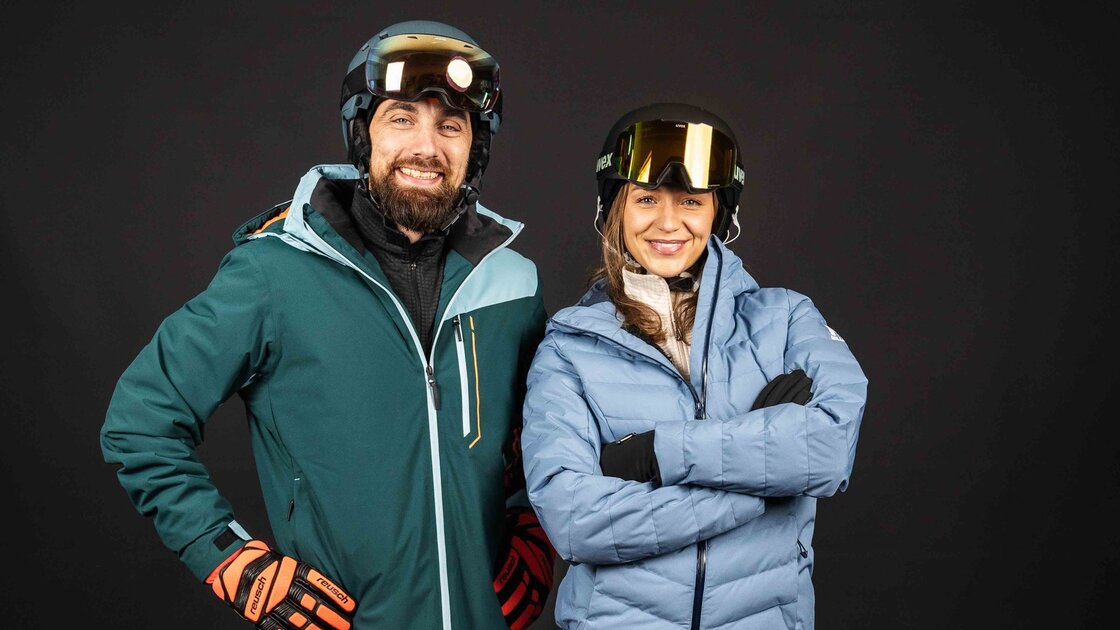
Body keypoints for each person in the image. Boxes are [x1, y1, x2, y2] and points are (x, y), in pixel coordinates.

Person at [100, 20, 555, 630]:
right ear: (362, 134)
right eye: (401, 118)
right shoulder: (272, 276)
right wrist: (231, 560)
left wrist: (535, 533)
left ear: (476, 146)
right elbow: (140, 421)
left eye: (451, 126)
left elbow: (549, 442)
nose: (427, 146)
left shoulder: (514, 286)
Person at [520, 102, 868, 629]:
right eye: (645, 199)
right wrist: (764, 483)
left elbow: (827, 450)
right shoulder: (568, 351)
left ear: (718, 212)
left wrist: (659, 453)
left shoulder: (787, 320)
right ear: (614, 209)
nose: (668, 222)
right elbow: (576, 521)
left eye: (690, 200)